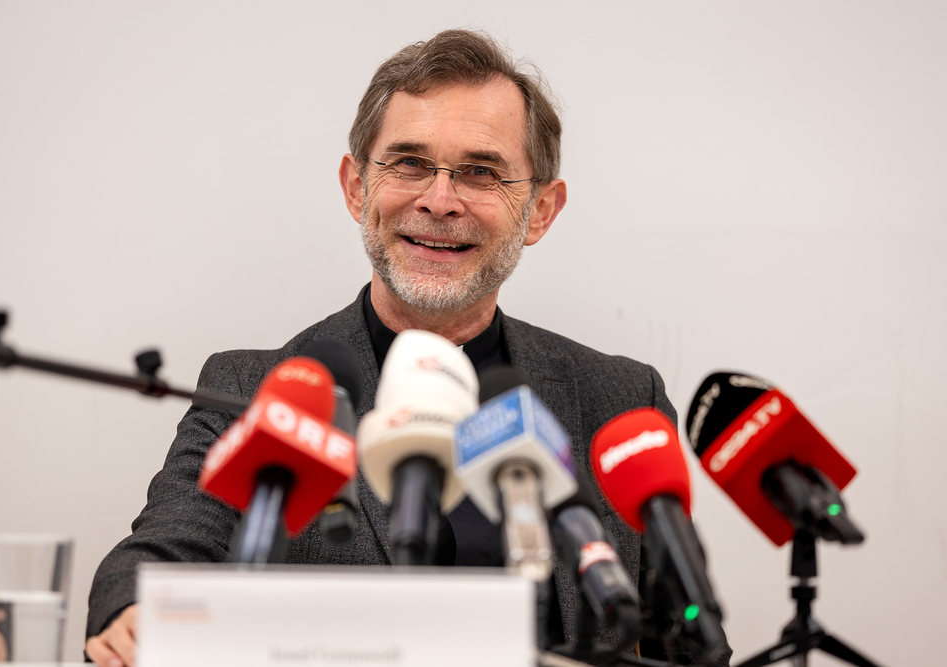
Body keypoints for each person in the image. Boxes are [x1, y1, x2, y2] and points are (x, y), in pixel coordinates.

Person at [86, 29, 722, 666]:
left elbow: (688, 638)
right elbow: (156, 560)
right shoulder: (253, 391)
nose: (439, 202)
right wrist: (132, 614)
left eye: (481, 172)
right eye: (410, 163)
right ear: (356, 188)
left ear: (539, 211)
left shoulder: (619, 401)